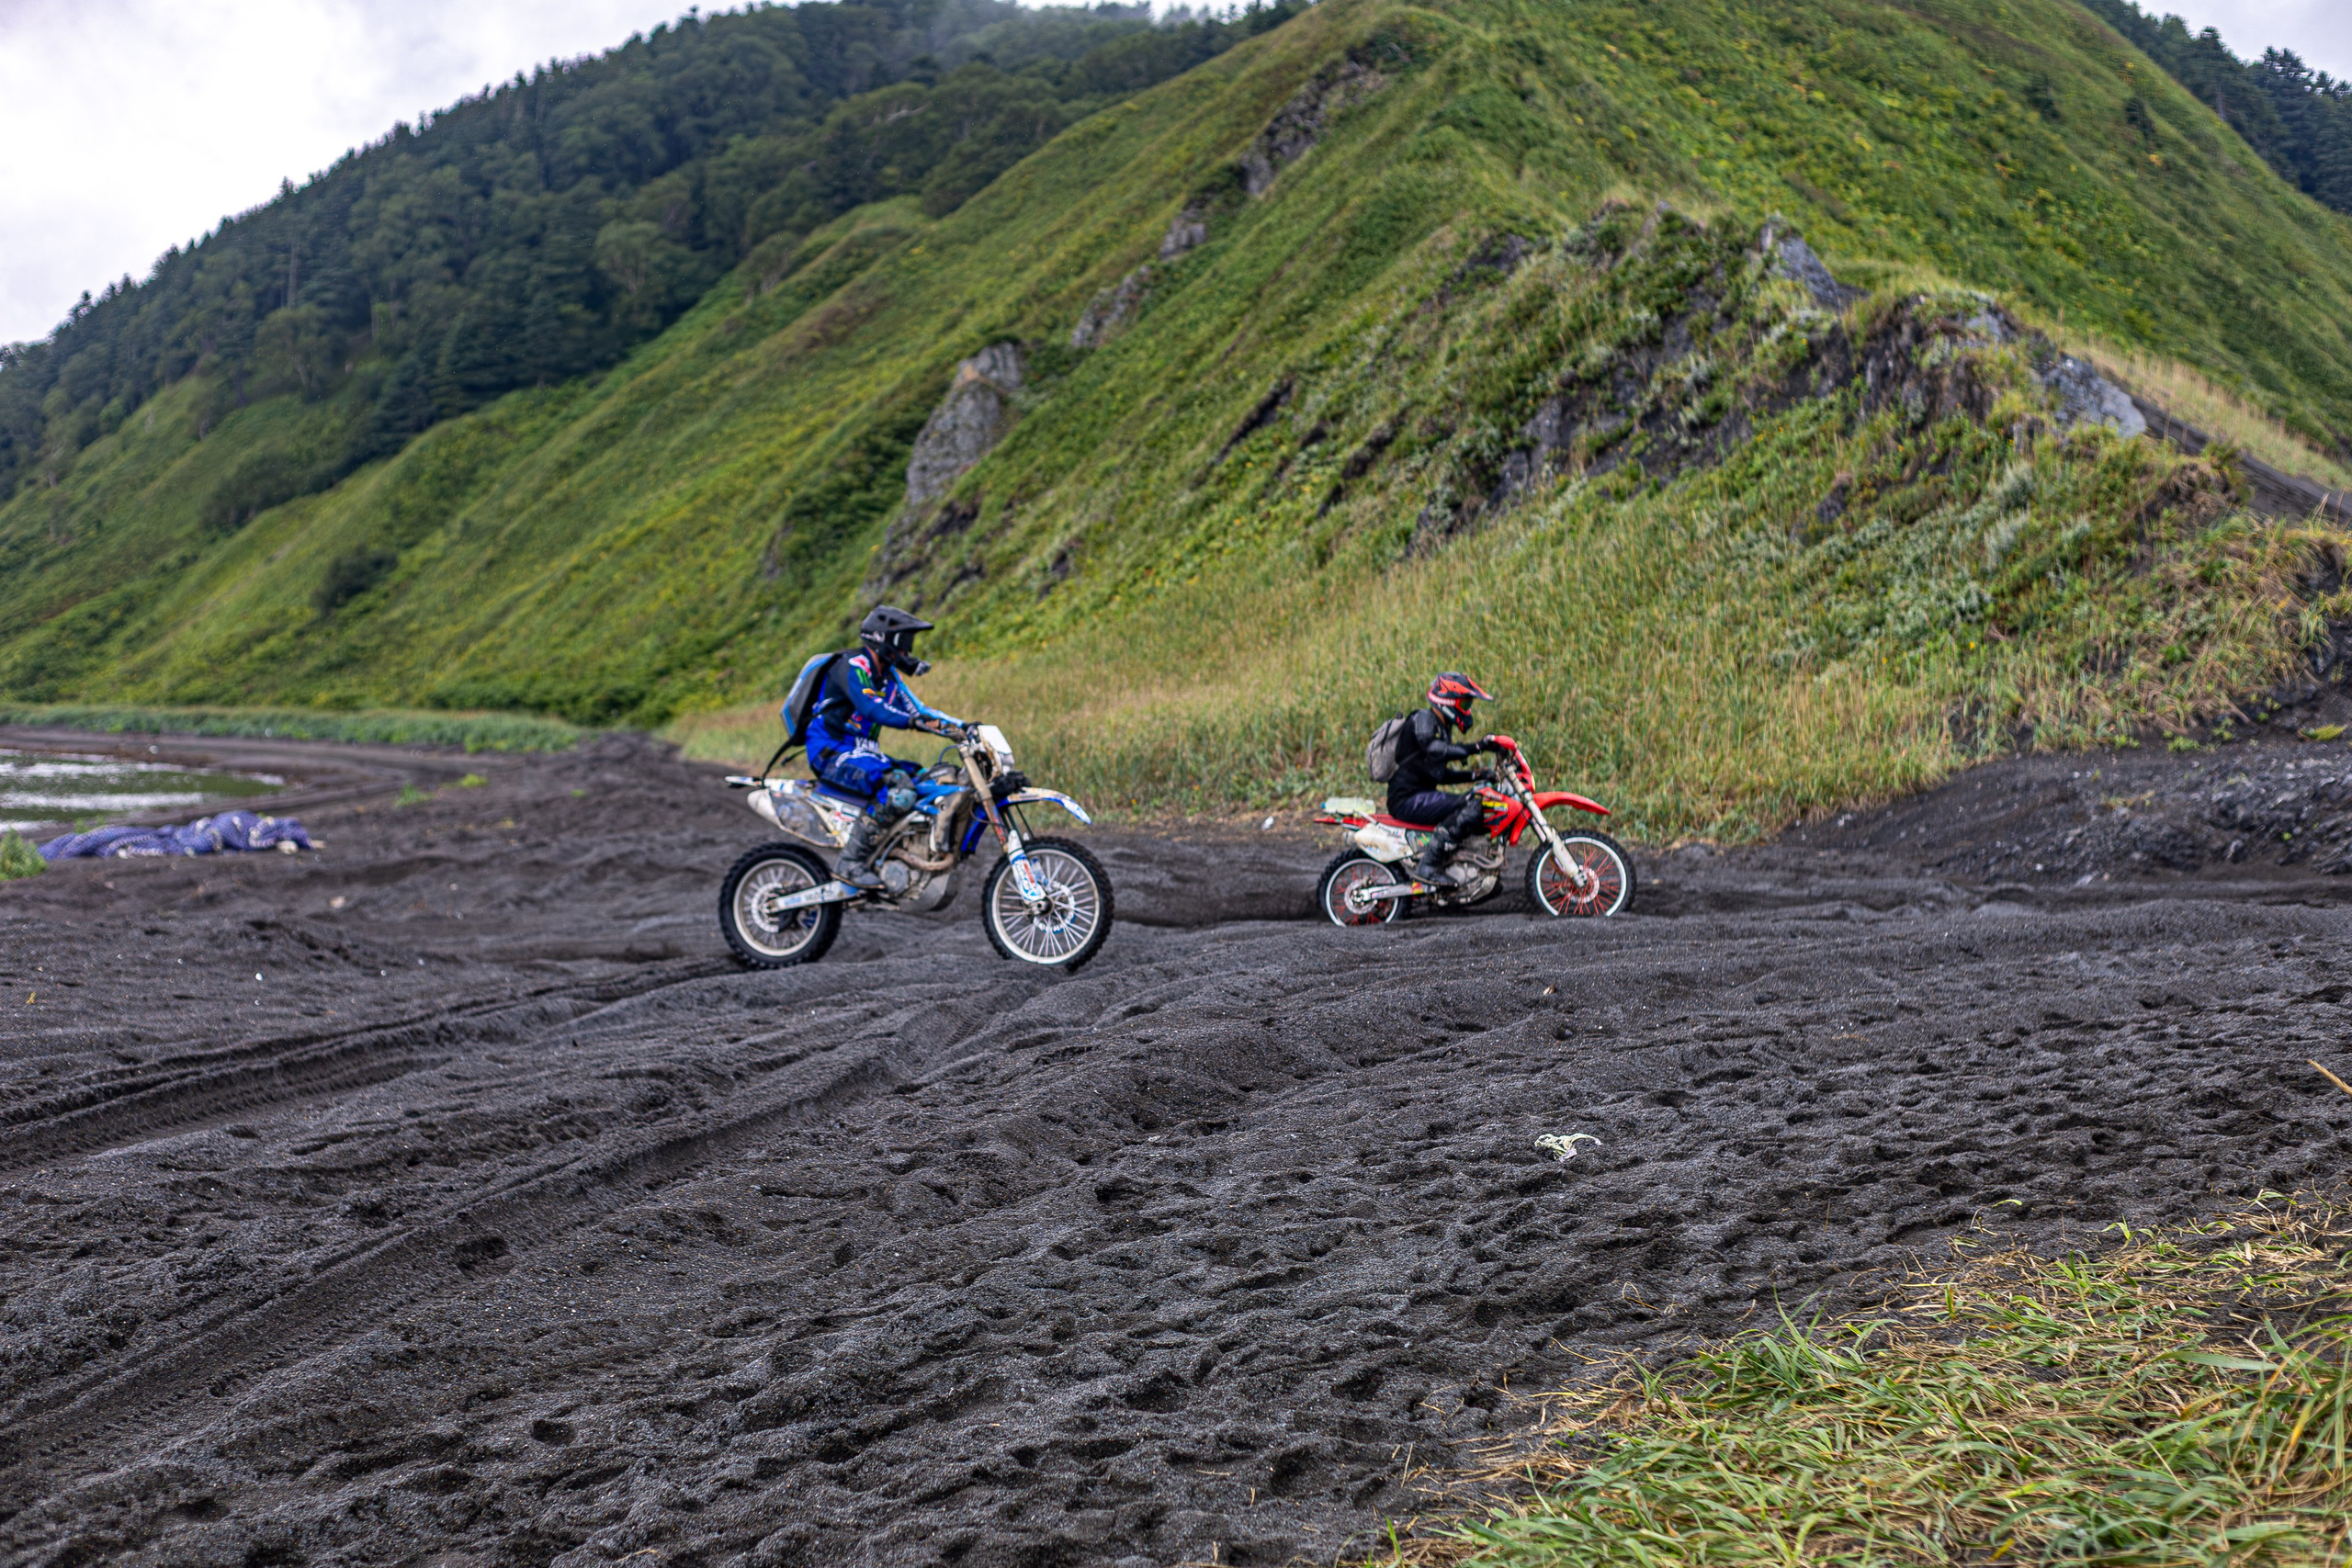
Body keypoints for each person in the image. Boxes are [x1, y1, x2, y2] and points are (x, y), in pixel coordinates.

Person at [805, 606, 967, 888]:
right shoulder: (854, 665)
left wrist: (965, 728)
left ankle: (895, 857)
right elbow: (871, 707)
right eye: (903, 642)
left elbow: (919, 709)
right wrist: (913, 722)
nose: (907, 650)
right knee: (901, 791)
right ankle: (850, 863)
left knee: (932, 779)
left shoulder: (889, 676)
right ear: (884, 640)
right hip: (830, 749)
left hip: (864, 752)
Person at [1385, 671, 1500, 883]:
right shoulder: (1424, 719)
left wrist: (1477, 775)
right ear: (1448, 701)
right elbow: (1435, 748)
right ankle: (1428, 866)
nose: (1467, 710)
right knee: (1470, 803)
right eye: (1465, 704)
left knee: (1477, 802)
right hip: (1407, 799)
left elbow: (1440, 774)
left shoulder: (1442, 728)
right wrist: (1477, 747)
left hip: (1421, 794)